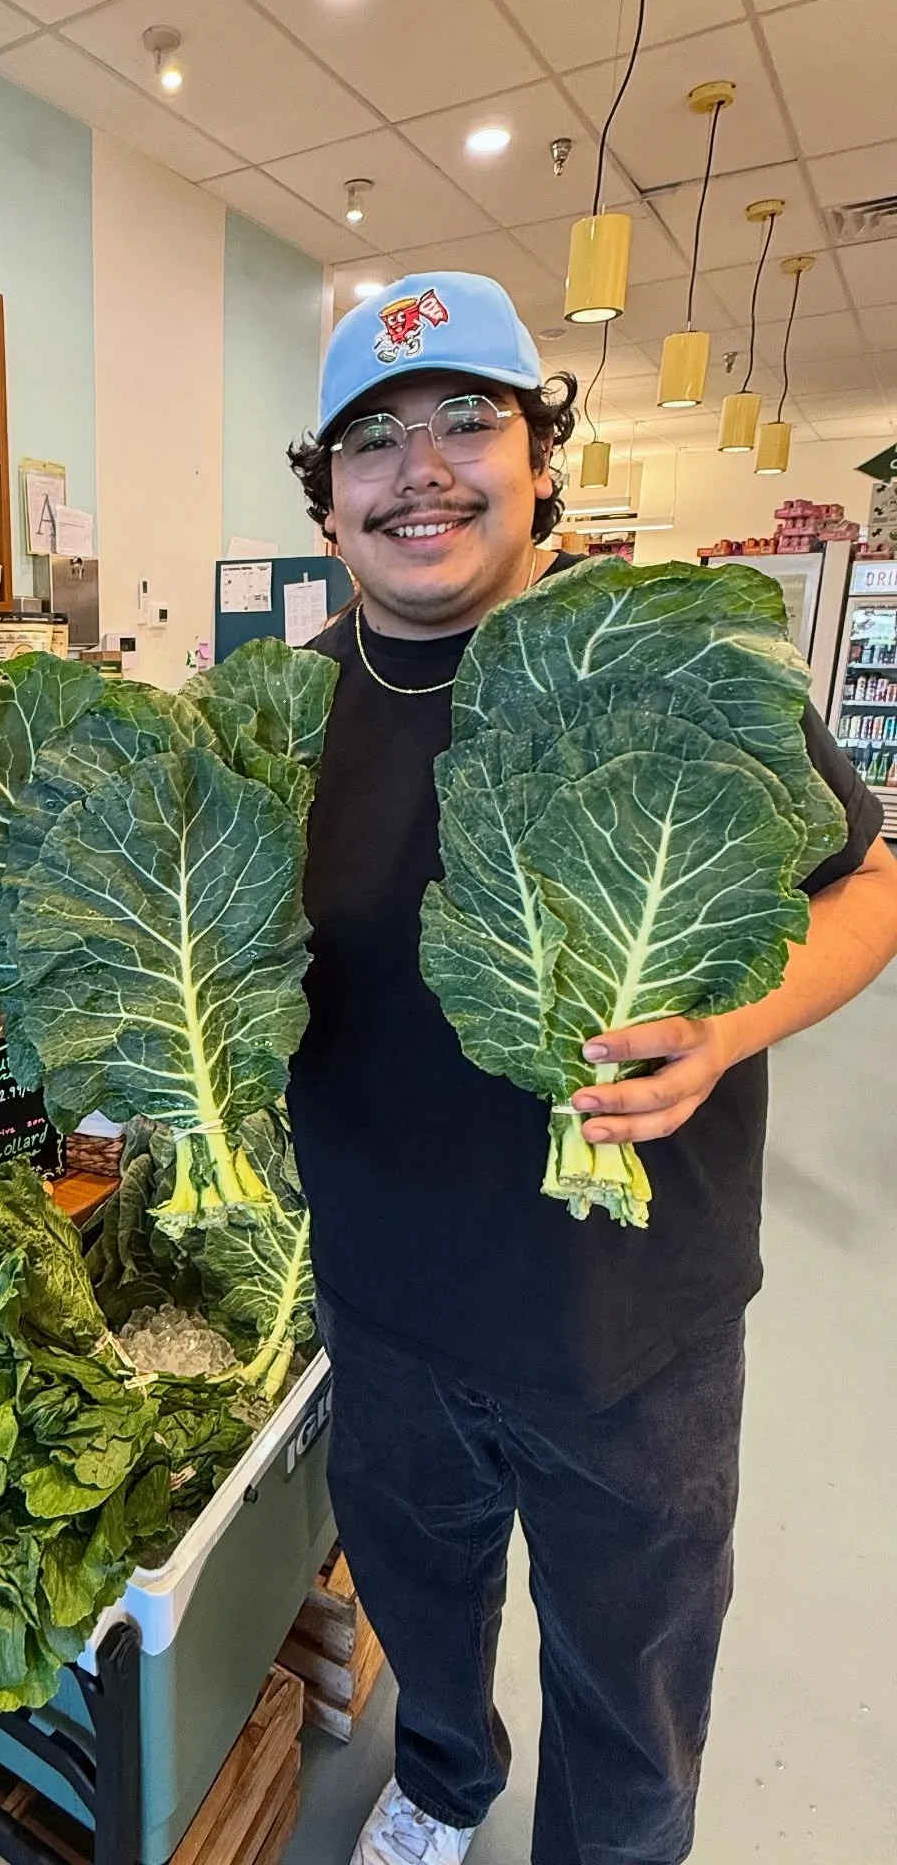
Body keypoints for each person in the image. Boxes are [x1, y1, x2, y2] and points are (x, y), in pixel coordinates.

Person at [284, 272, 897, 1865]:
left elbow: (872, 882)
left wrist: (734, 1023)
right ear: (328, 498)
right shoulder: (275, 713)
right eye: (372, 439)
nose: (421, 469)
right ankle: (442, 1784)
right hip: (384, 1306)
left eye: (464, 421)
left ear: (540, 457)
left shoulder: (667, 655)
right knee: (420, 1599)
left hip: (633, 1318)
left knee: (631, 1668)